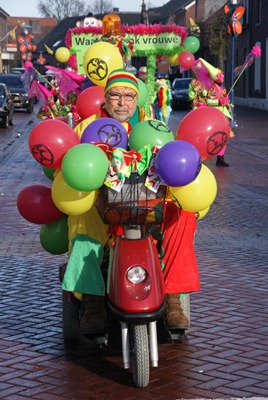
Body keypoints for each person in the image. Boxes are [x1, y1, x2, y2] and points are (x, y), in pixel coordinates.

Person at [62, 68, 200, 333]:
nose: (122, 102)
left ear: (137, 100)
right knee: (81, 218)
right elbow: (74, 168)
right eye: (115, 95)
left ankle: (172, 298)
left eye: (129, 95)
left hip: (147, 205)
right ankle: (92, 301)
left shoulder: (151, 125)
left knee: (182, 216)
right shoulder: (87, 126)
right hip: (104, 206)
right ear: (105, 98)